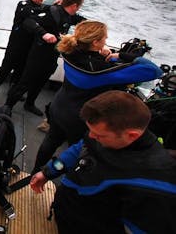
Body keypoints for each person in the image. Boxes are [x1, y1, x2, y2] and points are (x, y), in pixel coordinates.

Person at [30, 90, 176, 234]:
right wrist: (48, 172)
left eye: (99, 135)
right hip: (65, 215)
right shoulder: (99, 136)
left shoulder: (154, 188)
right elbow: (77, 150)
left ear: (132, 135)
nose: (91, 136)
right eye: (90, 131)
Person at [31, 20, 162, 173]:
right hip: (79, 119)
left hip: (59, 106)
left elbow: (87, 57)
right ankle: (61, 175)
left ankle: (35, 172)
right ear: (95, 42)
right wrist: (118, 55)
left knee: (51, 141)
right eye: (104, 38)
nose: (106, 41)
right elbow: (154, 71)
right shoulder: (102, 69)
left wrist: (100, 53)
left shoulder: (69, 51)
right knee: (77, 154)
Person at [0, 0, 86, 116]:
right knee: (25, 82)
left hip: (52, 55)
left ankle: (29, 103)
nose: (78, 9)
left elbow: (84, 23)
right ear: (74, 5)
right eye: (79, 6)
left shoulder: (70, 16)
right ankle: (8, 106)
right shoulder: (53, 12)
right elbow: (28, 22)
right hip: (38, 55)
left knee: (40, 82)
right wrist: (43, 33)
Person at [0, 0, 50, 106]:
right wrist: (46, 9)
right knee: (4, 70)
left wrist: (54, 6)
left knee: (20, 72)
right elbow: (31, 14)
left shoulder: (40, 7)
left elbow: (43, 8)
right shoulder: (23, 5)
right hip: (15, 47)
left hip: (28, 48)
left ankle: (13, 90)